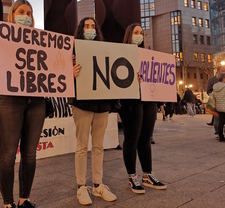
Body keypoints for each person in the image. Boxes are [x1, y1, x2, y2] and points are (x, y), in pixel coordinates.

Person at [0, 0, 44, 208]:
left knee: (30, 153)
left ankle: (25, 199)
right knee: (8, 154)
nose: (26, 15)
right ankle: (8, 203)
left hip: (36, 102)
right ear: (12, 15)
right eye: (21, 11)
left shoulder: (40, 40)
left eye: (29, 12)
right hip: (9, 101)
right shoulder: (0, 38)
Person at [69, 17, 117, 206]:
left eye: (93, 26)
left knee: (98, 146)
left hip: (102, 102)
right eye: (86, 26)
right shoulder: (72, 50)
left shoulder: (105, 50)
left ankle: (98, 184)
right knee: (82, 146)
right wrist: (70, 71)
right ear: (80, 30)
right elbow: (63, 76)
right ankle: (81, 186)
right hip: (82, 102)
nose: (90, 29)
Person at [119, 23, 167, 195]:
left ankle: (148, 174)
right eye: (135, 32)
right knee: (132, 138)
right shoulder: (121, 52)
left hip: (149, 99)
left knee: (146, 137)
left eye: (141, 32)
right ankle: (132, 176)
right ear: (129, 35)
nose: (139, 35)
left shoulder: (147, 53)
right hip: (130, 100)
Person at [206, 66, 225, 140]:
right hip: (222, 104)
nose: (224, 72)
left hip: (220, 104)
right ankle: (223, 135)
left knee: (222, 120)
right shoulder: (212, 80)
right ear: (218, 71)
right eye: (222, 70)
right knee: (222, 120)